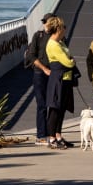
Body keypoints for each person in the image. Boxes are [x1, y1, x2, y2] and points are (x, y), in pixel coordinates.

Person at [44, 16, 78, 149]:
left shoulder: (60, 42)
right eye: (63, 27)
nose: (65, 29)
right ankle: (52, 138)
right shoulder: (53, 44)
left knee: (62, 109)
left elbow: (68, 58)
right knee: (54, 109)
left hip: (66, 80)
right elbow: (67, 61)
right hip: (58, 80)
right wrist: (71, 61)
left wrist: (70, 60)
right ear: (58, 28)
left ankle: (58, 135)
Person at [25, 12, 55, 145]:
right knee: (42, 105)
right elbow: (31, 56)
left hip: (54, 73)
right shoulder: (38, 36)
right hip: (40, 73)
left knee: (54, 105)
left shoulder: (56, 37)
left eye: (47, 22)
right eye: (43, 22)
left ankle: (52, 134)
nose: (44, 24)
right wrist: (44, 69)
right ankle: (41, 136)